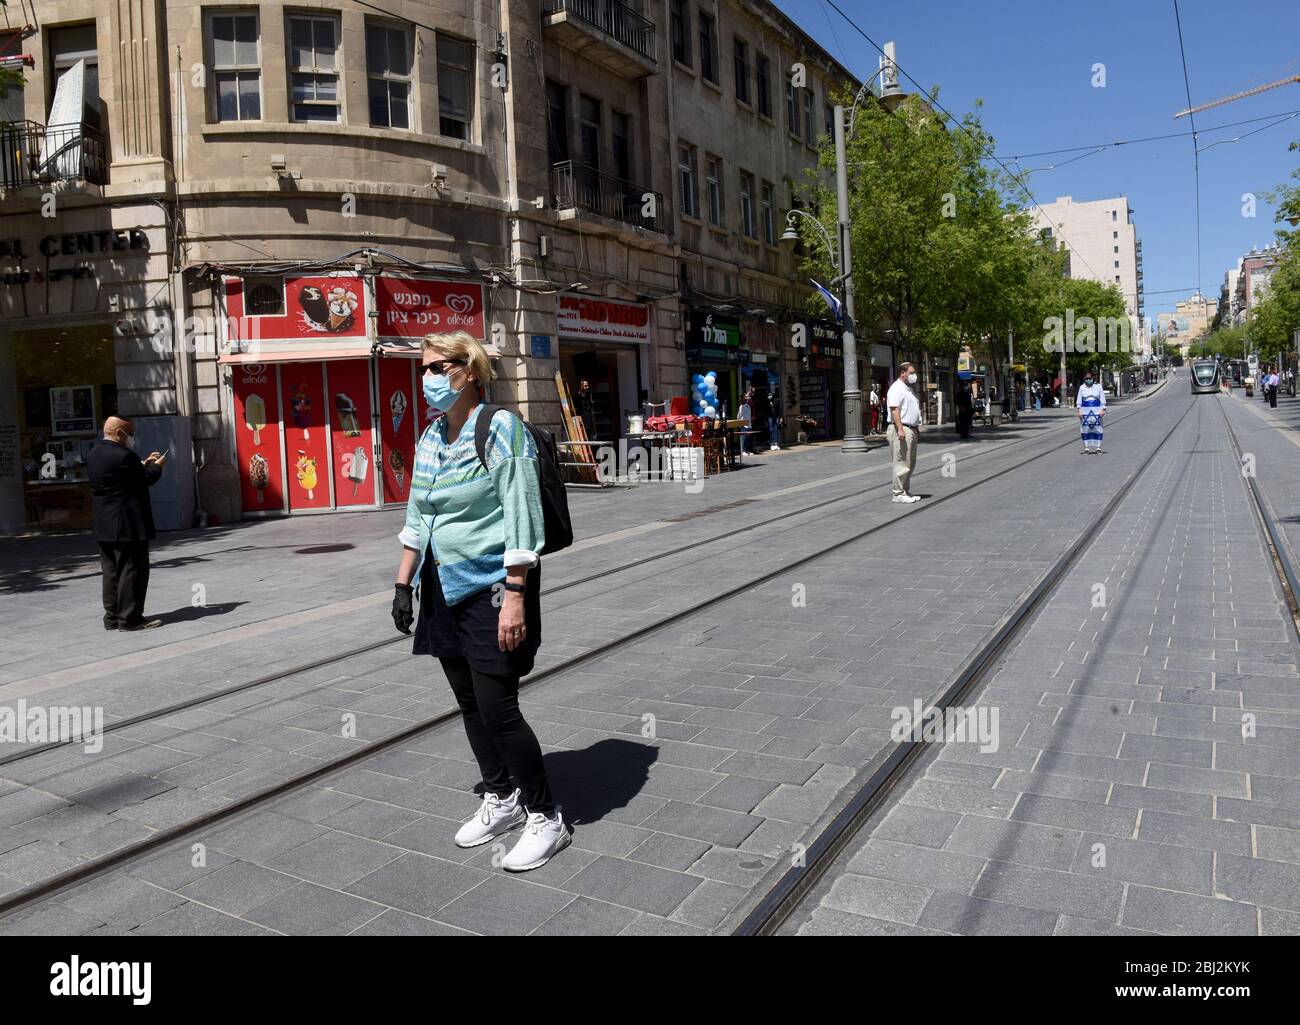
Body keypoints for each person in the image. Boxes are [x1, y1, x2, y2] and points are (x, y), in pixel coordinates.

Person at [391, 331, 568, 872]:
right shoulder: (430, 436)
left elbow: (522, 515)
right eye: (423, 368)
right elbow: (419, 513)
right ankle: (501, 796)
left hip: (494, 586)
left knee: (499, 707)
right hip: (443, 587)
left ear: (468, 371)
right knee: (468, 703)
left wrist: (514, 595)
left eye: (438, 367)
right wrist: (403, 583)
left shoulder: (500, 428)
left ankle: (546, 816)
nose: (428, 377)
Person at [88, 416, 166, 631]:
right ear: (120, 434)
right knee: (132, 569)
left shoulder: (95, 454)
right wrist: (157, 467)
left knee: (111, 571)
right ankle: (130, 619)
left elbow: (121, 477)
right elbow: (145, 479)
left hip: (104, 523)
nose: (132, 438)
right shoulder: (124, 456)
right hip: (128, 524)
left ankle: (112, 618)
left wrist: (142, 464)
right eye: (130, 433)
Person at [887, 362, 922, 502]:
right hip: (901, 429)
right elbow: (894, 409)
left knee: (909, 463)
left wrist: (916, 428)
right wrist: (900, 428)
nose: (914, 375)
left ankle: (905, 491)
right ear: (903, 373)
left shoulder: (908, 389)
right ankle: (898, 493)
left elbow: (911, 410)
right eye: (911, 372)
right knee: (901, 462)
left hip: (910, 429)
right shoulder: (896, 388)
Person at [1077, 369, 1106, 454]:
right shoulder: (1082, 387)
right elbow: (1079, 400)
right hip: (1085, 412)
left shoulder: (1098, 386)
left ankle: (1098, 447)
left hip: (1097, 411)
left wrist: (1103, 409)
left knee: (1098, 429)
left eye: (1089, 378)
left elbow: (1102, 399)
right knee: (1085, 429)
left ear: (1093, 378)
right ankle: (1086, 447)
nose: (1088, 380)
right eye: (1086, 378)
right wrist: (1079, 410)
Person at [738, 387, 754, 455]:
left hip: (748, 423)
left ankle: (747, 450)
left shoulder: (748, 405)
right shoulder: (741, 406)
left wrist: (749, 394)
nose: (747, 398)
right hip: (743, 423)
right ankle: (743, 451)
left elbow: (751, 403)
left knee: (748, 438)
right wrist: (739, 423)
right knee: (743, 438)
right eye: (745, 397)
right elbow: (739, 415)